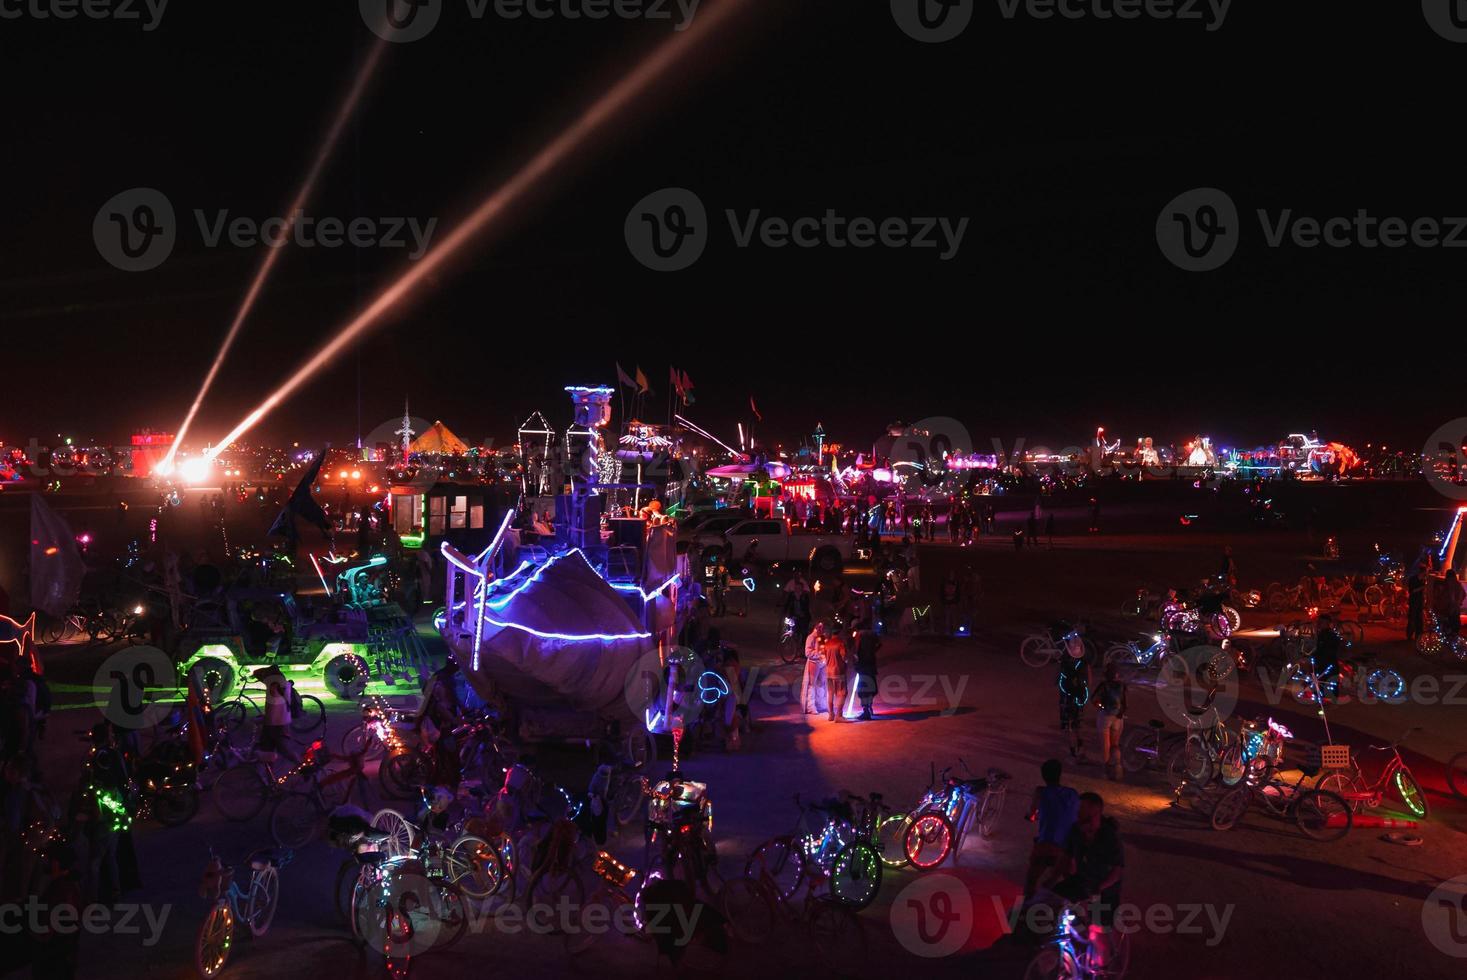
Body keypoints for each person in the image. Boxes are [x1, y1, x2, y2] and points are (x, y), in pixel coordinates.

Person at [1049, 793, 1124, 971]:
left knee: (1097, 933)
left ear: (1097, 815)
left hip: (1105, 889)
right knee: (1050, 903)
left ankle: (1102, 969)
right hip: (1082, 881)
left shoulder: (1109, 838)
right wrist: (1050, 880)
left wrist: (1099, 889)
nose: (1081, 819)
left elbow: (1116, 872)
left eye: (1086, 815)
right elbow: (1065, 859)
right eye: (1079, 814)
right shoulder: (1075, 831)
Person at [1023, 759, 1079, 899]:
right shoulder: (1072, 793)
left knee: (1031, 880)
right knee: (1071, 883)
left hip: (1046, 844)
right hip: (1067, 847)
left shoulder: (1041, 792)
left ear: (1043, 776)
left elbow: (1032, 813)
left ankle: (1026, 907)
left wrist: (1031, 816)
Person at [1057, 634, 1090, 760]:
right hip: (1079, 697)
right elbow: (1088, 680)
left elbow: (1059, 681)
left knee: (1069, 725)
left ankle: (1073, 750)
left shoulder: (1065, 663)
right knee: (1077, 724)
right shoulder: (1084, 663)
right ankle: (1080, 745)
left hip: (1067, 698)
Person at [1093, 664, 1127, 780]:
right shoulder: (1122, 686)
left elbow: (1094, 699)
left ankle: (1105, 772)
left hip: (1105, 716)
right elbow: (1124, 702)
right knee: (1115, 744)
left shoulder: (1104, 685)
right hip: (1118, 717)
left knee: (1105, 746)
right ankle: (1118, 770)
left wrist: (1102, 706)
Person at [1312, 613, 1344, 703]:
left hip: (1328, 661)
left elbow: (1328, 649)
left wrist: (1318, 658)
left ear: (1326, 623)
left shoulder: (1329, 635)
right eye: (1318, 622)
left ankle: (1329, 699)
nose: (1318, 624)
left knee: (1327, 680)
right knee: (1323, 680)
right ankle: (1322, 698)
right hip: (1325, 661)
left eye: (1321, 622)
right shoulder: (1323, 633)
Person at [850, 621, 880, 720]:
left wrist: (856, 659)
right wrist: (872, 652)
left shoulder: (859, 635)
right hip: (871, 663)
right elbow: (879, 644)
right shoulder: (872, 634)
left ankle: (866, 711)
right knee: (871, 687)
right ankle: (870, 707)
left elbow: (856, 650)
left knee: (863, 689)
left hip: (863, 665)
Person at [823, 627, 849, 722]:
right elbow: (844, 657)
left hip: (828, 672)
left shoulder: (827, 644)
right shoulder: (840, 643)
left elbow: (825, 656)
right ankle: (839, 715)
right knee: (842, 692)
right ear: (840, 633)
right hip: (838, 672)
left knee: (830, 693)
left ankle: (831, 714)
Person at [801, 622, 828, 715]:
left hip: (822, 663)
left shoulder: (823, 637)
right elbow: (807, 652)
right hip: (814, 663)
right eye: (820, 627)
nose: (822, 629)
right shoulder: (811, 637)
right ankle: (810, 706)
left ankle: (820, 703)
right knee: (811, 685)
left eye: (823, 627)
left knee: (821, 683)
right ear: (816, 627)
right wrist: (818, 655)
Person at [1407, 564, 1426, 642]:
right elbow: (1412, 591)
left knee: (1419, 619)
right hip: (1413, 601)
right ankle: (1409, 635)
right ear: (1422, 572)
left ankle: (1418, 635)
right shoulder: (1413, 579)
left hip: (1420, 601)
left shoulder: (1423, 580)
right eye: (1425, 572)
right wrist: (1422, 587)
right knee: (1412, 618)